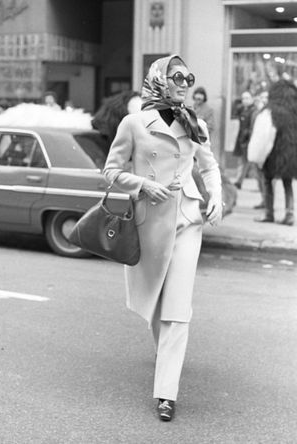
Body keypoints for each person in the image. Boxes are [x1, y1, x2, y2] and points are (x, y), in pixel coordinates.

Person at [103, 55, 222, 421]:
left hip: (187, 219)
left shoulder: (194, 122)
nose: (184, 82)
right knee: (155, 302)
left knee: (177, 309)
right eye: (177, 77)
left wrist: (216, 195)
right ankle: (164, 356)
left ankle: (166, 394)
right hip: (149, 223)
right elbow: (110, 171)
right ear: (159, 80)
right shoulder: (134, 123)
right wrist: (142, 184)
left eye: (189, 76)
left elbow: (209, 165)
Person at [248, 80, 297, 226]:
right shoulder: (295, 112)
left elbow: (264, 137)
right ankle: (290, 214)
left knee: (267, 182)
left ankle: (269, 213)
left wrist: (257, 157)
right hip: (291, 156)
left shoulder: (269, 111)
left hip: (272, 156)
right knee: (287, 184)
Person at [232, 91, 256, 189]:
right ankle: (239, 181)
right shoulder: (241, 109)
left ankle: (239, 181)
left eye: (247, 98)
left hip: (248, 140)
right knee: (242, 162)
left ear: (252, 99)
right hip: (241, 139)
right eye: (243, 98)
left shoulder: (253, 111)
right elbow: (234, 112)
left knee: (247, 162)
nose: (244, 100)